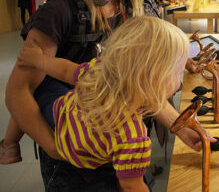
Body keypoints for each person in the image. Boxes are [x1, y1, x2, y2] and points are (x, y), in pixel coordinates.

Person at [3, 0, 205, 190]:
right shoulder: (60, 10)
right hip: (74, 164)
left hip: (122, 152)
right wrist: (54, 148)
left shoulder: (132, 5)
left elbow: (139, 83)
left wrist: (179, 125)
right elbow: (17, 92)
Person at [16, 16, 203, 192]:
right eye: (176, 73)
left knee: (41, 87)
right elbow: (131, 186)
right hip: (70, 141)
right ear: (152, 77)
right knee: (29, 89)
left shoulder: (99, 72)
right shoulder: (134, 138)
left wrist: (36, 59)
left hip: (60, 113)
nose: (178, 83)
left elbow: (65, 71)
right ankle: (9, 144)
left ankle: (10, 141)